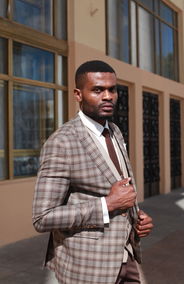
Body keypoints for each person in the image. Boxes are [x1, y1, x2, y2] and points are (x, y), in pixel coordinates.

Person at [32, 60, 153, 284]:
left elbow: (117, 187)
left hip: (126, 257)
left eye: (112, 89)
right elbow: (42, 217)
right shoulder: (62, 142)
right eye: (98, 90)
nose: (108, 96)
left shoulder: (114, 130)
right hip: (88, 267)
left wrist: (137, 217)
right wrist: (107, 205)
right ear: (78, 94)